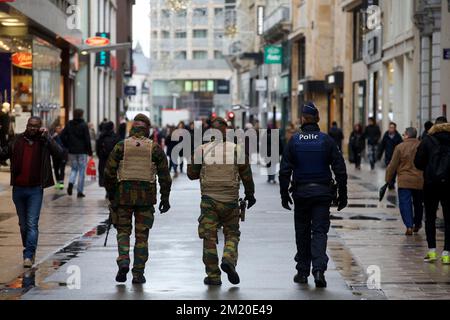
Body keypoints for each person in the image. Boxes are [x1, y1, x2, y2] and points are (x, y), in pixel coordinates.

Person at [279, 102, 348, 288]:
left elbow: (284, 170)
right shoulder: (326, 140)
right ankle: (318, 270)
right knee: (319, 231)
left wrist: (284, 194)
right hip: (322, 193)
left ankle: (302, 272)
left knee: (301, 232)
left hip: (301, 194)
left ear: (303, 119)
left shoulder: (294, 140)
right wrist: (343, 194)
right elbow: (340, 169)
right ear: (317, 118)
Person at [188, 117, 256, 286]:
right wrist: (250, 194)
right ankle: (228, 259)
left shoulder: (201, 150)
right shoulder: (236, 150)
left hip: (209, 201)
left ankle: (213, 276)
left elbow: (191, 174)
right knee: (232, 233)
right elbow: (247, 175)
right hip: (231, 200)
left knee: (209, 237)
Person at [104, 114, 172, 284]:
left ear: (132, 128)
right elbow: (165, 175)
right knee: (142, 237)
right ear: (147, 129)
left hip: (123, 198)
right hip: (146, 199)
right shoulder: (154, 148)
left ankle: (124, 260)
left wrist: (112, 195)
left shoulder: (121, 146)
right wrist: (165, 198)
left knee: (123, 231)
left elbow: (109, 173)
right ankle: (138, 274)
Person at [0, 117, 62, 267]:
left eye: (36, 126)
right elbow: (3, 154)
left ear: (40, 127)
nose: (32, 128)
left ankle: (28, 254)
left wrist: (48, 138)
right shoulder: (17, 140)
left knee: (32, 223)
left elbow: (60, 154)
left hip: (35, 189)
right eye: (30, 125)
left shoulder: (44, 142)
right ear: (27, 126)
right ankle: (29, 247)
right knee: (23, 225)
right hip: (18, 189)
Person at [414, 116, 450, 265]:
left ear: (435, 126)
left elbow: (418, 162)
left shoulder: (427, 140)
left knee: (429, 217)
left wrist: (429, 168)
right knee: (449, 219)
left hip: (430, 184)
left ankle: (432, 251)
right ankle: (447, 254)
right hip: (449, 184)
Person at [385, 127, 424, 235]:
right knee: (418, 203)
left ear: (406, 135)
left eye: (404, 134)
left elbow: (392, 165)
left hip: (404, 180)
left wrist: (388, 180)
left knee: (405, 203)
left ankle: (409, 226)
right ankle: (417, 223)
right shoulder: (421, 145)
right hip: (419, 179)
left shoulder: (400, 147)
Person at [60, 109, 93, 198]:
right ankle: (79, 191)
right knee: (82, 171)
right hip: (82, 151)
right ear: (81, 115)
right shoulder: (84, 125)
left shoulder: (69, 124)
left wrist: (67, 145)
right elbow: (87, 139)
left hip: (72, 151)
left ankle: (71, 183)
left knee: (74, 169)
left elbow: (62, 135)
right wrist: (89, 151)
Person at [378, 122, 403, 189]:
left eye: (392, 127)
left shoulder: (398, 136)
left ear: (395, 128)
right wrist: (379, 155)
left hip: (395, 157)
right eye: (390, 127)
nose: (391, 129)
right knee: (389, 170)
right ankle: (390, 183)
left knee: (394, 171)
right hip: (388, 156)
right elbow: (382, 146)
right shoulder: (386, 135)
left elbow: (401, 147)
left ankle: (392, 182)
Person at [96, 121, 119, 191]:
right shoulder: (115, 136)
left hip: (103, 158)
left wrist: (99, 155)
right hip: (112, 158)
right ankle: (109, 190)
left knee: (103, 173)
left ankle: (106, 188)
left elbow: (97, 148)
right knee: (112, 174)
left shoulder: (101, 136)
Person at [52, 125, 68, 190]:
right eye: (57, 129)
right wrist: (53, 136)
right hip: (55, 155)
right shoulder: (54, 136)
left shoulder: (64, 136)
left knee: (62, 169)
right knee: (56, 169)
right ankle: (58, 182)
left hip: (63, 155)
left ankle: (61, 183)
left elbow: (67, 144)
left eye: (60, 128)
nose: (59, 130)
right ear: (55, 130)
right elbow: (50, 142)